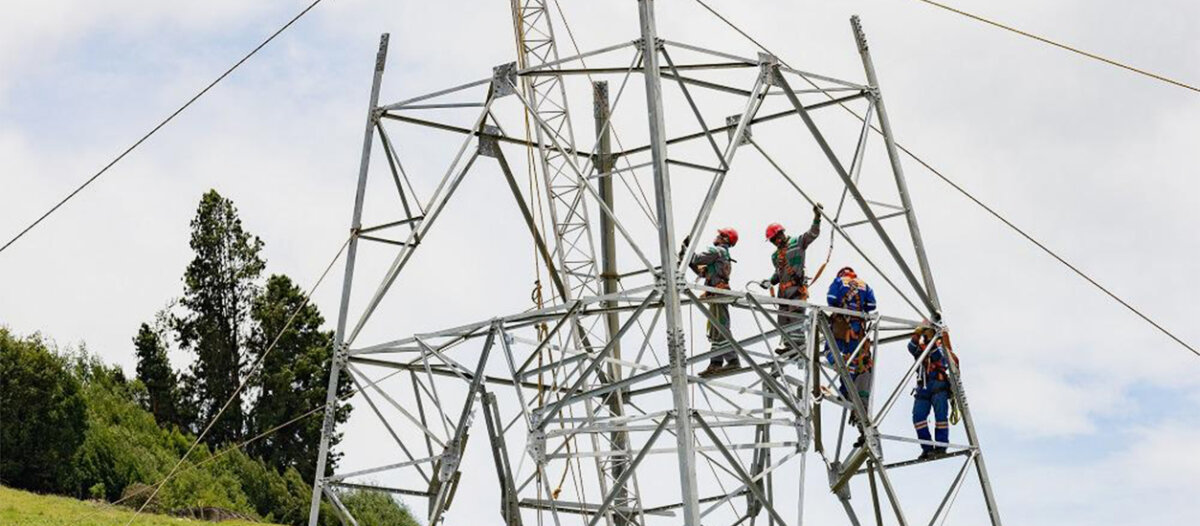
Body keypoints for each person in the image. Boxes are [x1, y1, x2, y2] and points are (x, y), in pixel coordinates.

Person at [758, 204, 823, 354]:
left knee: (796, 319)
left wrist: (817, 217)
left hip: (796, 290)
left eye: (775, 238)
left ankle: (799, 347)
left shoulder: (798, 242)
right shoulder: (775, 256)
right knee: (783, 321)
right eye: (772, 240)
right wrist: (770, 282)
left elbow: (813, 233)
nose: (775, 242)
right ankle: (789, 346)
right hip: (783, 293)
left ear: (780, 234)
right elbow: (778, 274)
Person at [826, 267, 877, 412]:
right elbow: (872, 305)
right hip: (858, 330)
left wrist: (842, 309)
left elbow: (831, 299)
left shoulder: (839, 281)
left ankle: (845, 391)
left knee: (831, 352)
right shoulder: (864, 285)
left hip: (841, 326)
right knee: (857, 359)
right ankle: (850, 394)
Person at [689, 228, 739, 377]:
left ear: (725, 239)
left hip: (718, 294)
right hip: (715, 295)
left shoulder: (718, 251)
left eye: (719, 235)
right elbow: (700, 270)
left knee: (720, 327)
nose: (716, 237)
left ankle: (732, 360)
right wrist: (687, 257)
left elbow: (697, 259)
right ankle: (716, 363)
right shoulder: (719, 256)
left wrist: (687, 253)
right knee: (716, 330)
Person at [908, 325, 958, 460]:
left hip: (938, 385)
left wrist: (931, 338)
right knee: (918, 417)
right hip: (923, 386)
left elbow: (937, 356)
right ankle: (927, 448)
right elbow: (911, 347)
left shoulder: (943, 349)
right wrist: (917, 333)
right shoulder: (921, 348)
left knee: (940, 417)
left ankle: (941, 447)